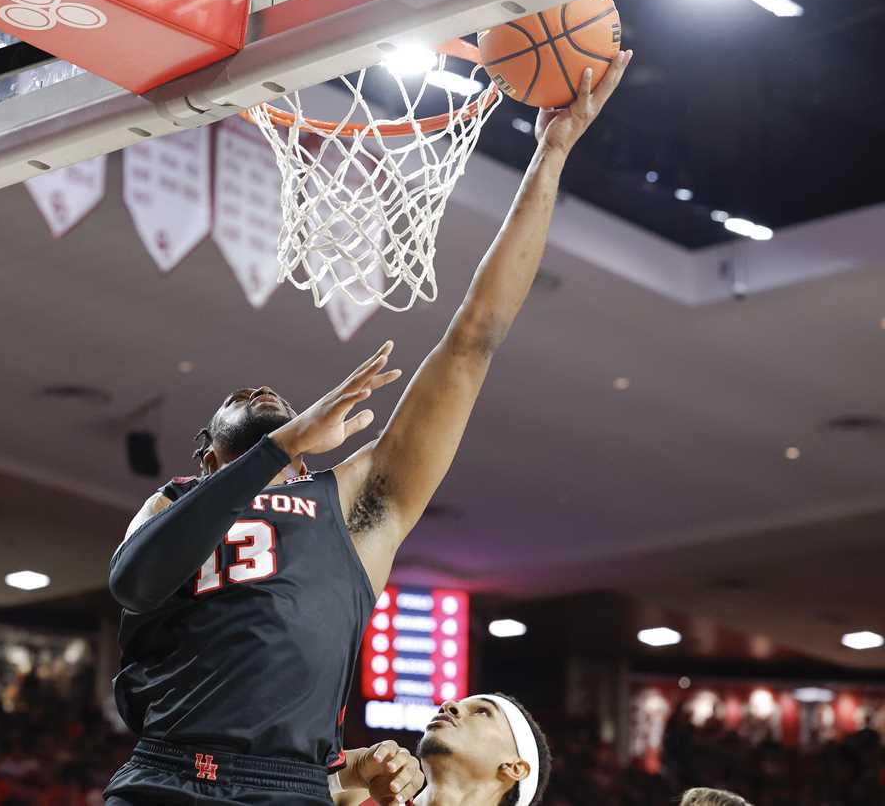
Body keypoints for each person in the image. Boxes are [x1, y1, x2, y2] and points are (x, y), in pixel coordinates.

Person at [106, 53, 634, 806]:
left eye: (277, 401)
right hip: (164, 775)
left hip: (288, 786)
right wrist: (280, 447)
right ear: (206, 449)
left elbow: (473, 337)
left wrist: (549, 156)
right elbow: (133, 580)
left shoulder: (354, 504)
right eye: (241, 400)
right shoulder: (177, 500)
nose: (261, 391)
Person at [336, 695, 549, 806]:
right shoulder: (357, 793)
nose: (448, 705)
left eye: (482, 712)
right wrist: (347, 774)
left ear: (516, 768)